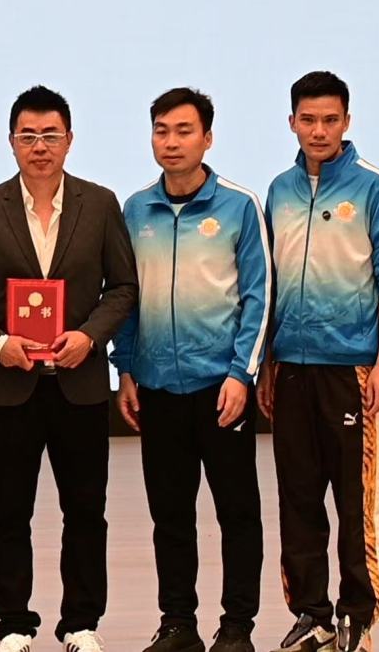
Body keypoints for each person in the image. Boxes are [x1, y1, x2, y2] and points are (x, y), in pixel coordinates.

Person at [0, 85, 138, 652]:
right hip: (12, 385)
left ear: (69, 140)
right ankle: (13, 624)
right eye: (28, 135)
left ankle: (81, 622)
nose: (39, 146)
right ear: (11, 142)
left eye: (50, 135)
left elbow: (122, 286)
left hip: (80, 384)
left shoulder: (99, 204)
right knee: (10, 510)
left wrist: (90, 336)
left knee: (86, 510)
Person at [110, 88, 270, 652]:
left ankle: (237, 626)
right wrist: (126, 369)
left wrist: (241, 375)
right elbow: (125, 297)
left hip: (221, 388)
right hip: (156, 389)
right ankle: (178, 623)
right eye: (161, 131)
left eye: (183, 131)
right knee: (170, 515)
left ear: (207, 138)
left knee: (237, 512)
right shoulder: (135, 211)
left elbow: (259, 297)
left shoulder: (239, 206)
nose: (171, 142)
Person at [258, 71, 379, 652]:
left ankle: (357, 616)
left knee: (354, 499)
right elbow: (269, 283)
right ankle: (312, 613)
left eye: (329, 120)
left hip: (352, 369)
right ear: (292, 122)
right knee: (298, 496)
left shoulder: (372, 186)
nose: (318, 130)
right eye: (308, 119)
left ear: (346, 122)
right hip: (290, 369)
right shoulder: (279, 190)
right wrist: (268, 364)